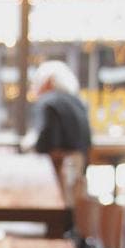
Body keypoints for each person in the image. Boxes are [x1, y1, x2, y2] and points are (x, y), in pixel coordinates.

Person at [24, 61, 92, 194]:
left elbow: (46, 141)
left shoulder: (48, 101)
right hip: (78, 168)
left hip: (57, 172)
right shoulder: (77, 102)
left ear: (48, 81)